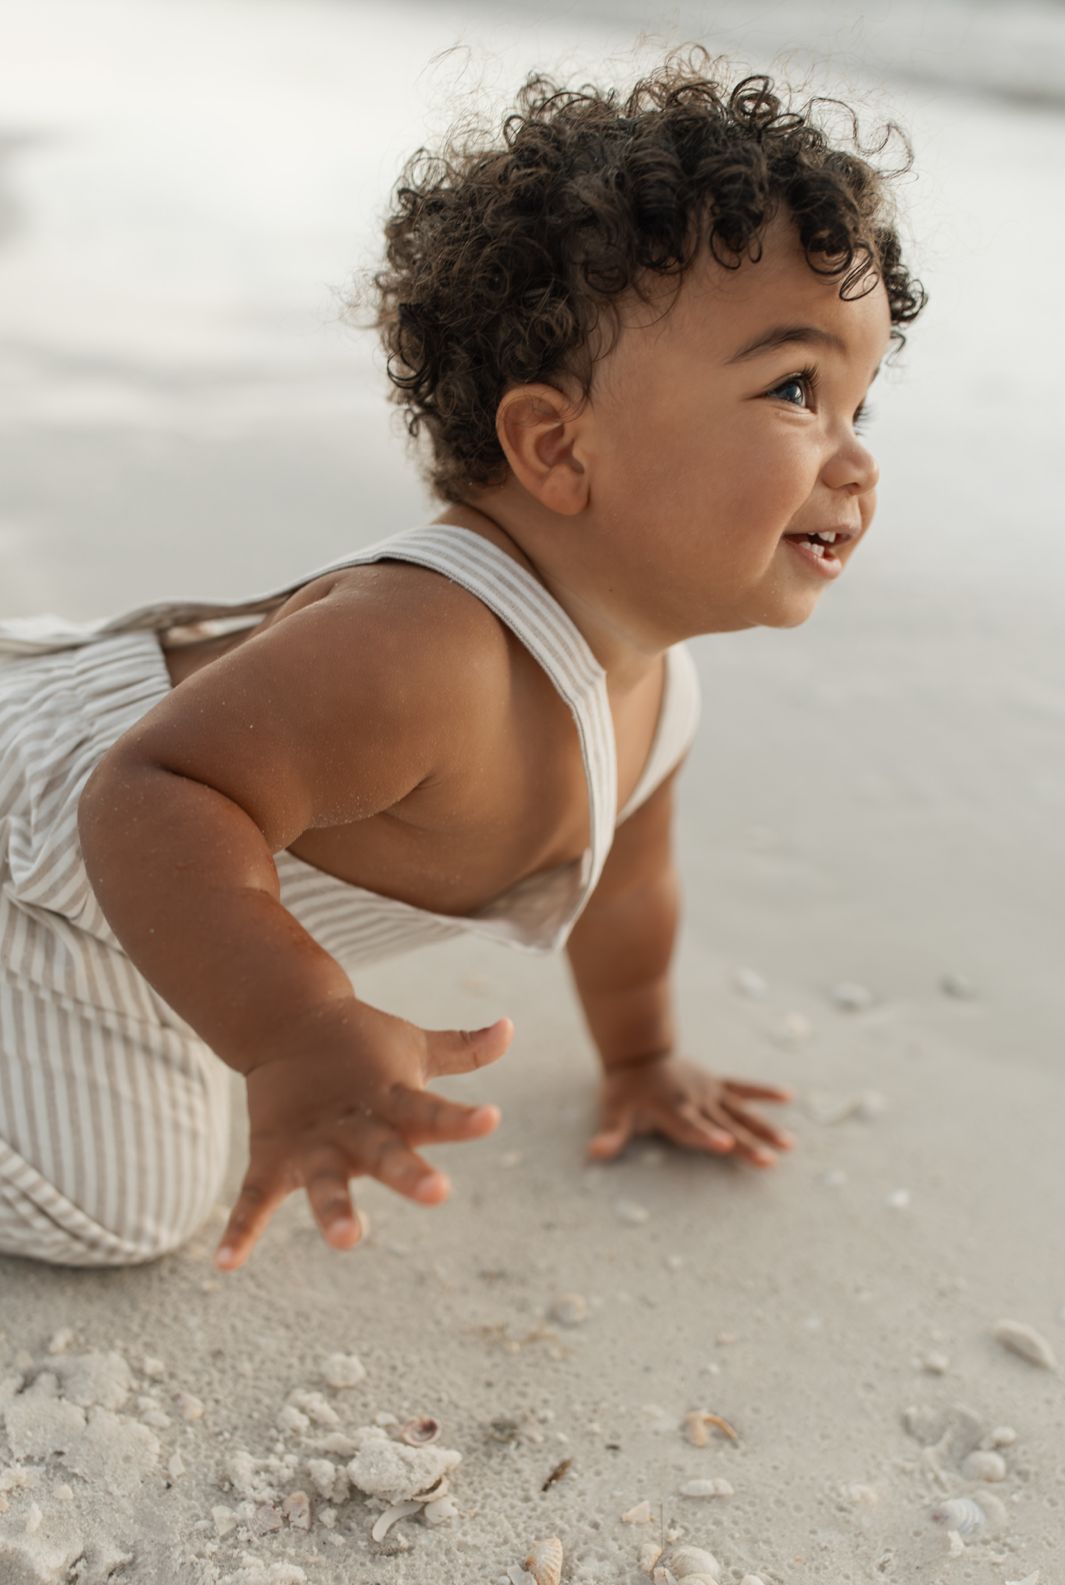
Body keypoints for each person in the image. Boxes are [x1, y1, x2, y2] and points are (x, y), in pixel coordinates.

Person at [0, 47, 926, 1273]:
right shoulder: (427, 649)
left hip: (163, 909)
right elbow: (156, 792)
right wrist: (295, 1025)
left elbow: (629, 889)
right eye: (796, 388)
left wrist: (642, 1057)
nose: (854, 460)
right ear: (556, 446)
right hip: (55, 867)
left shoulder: (654, 691)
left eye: (862, 405)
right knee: (126, 1209)